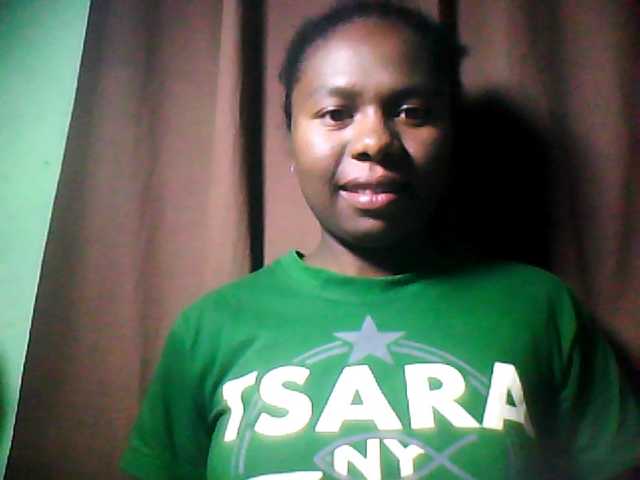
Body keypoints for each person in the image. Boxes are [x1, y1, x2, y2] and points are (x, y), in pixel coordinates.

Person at [120, 2, 640, 479]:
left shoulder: (541, 309)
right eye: (336, 113)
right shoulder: (208, 329)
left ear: (451, 136)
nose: (374, 142)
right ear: (292, 142)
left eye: (412, 112)